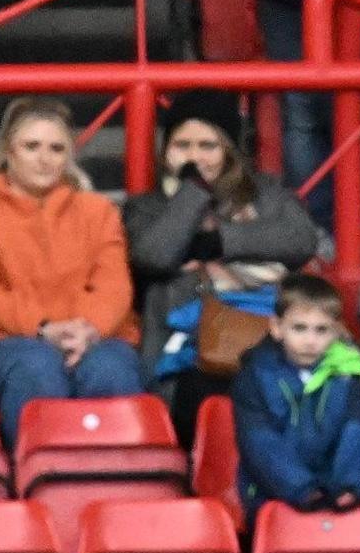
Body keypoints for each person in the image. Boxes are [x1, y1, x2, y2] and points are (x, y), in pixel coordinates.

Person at [0, 97, 144, 441]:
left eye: (56, 148)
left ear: (69, 156)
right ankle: (38, 480)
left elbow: (113, 287)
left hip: (95, 338)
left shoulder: (100, 212)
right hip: (2, 344)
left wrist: (87, 331)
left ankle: (122, 485)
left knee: (110, 369)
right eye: (31, 146)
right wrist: (43, 329)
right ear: (9, 151)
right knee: (37, 367)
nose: (44, 158)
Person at [126, 95, 326, 423]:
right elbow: (154, 255)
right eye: (182, 145)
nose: (195, 155)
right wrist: (193, 190)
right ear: (165, 150)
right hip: (188, 358)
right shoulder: (147, 208)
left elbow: (301, 239)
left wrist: (218, 242)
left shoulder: (267, 195)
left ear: (229, 149)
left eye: (208, 145)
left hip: (271, 339)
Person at [229, 269, 360, 516]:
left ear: (337, 331)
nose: (310, 341)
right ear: (276, 327)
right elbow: (260, 443)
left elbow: (356, 432)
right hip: (270, 492)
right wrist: (303, 489)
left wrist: (349, 486)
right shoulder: (254, 376)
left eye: (321, 330)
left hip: (335, 491)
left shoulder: (348, 374)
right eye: (299, 328)